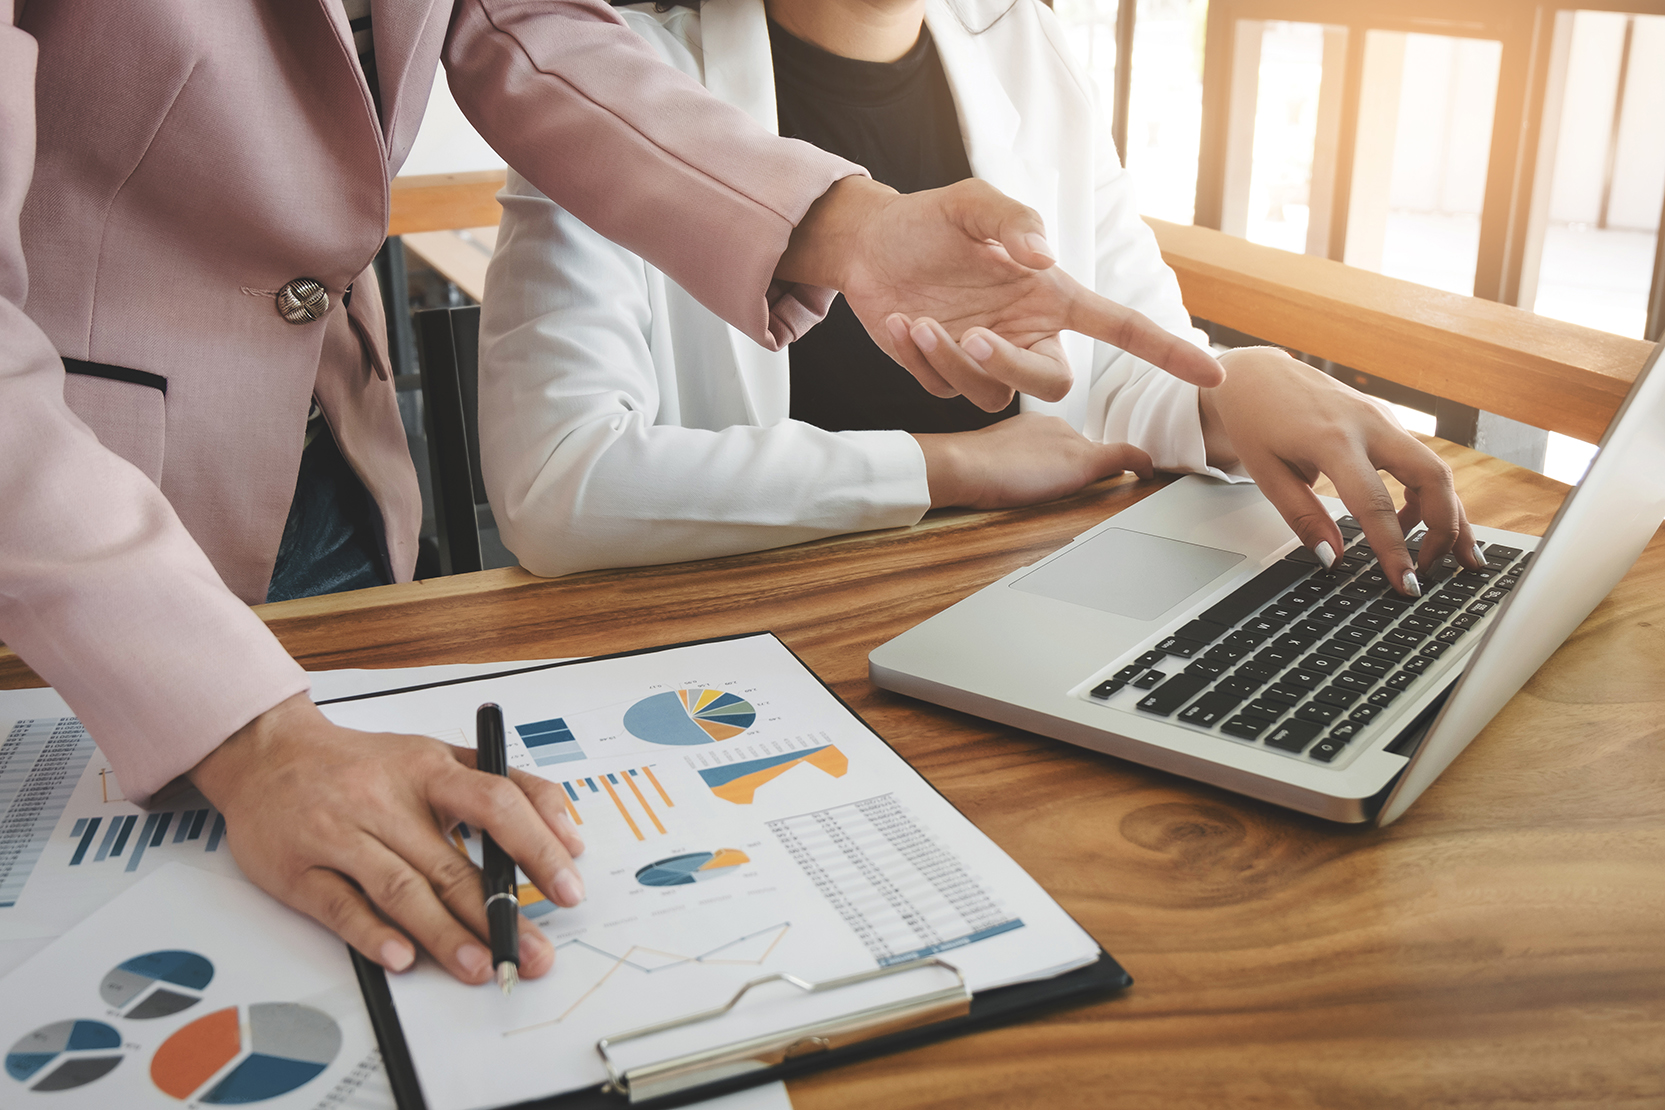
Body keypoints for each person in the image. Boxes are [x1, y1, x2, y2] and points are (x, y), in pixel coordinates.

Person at [0, 0, 1225, 986]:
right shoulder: (686, 41)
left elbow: (512, 21)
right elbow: (565, 480)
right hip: (66, 512)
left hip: (329, 458)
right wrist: (246, 731)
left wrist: (841, 224)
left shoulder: (1019, 48)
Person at [478, 0, 1483, 591]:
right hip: (750, 653)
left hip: (1020, 606)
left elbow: (1114, 371)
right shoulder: (611, 86)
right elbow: (560, 487)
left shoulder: (1022, 46)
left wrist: (1228, 391)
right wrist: (953, 468)